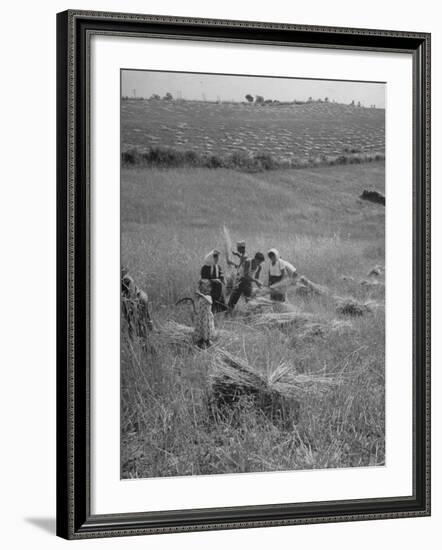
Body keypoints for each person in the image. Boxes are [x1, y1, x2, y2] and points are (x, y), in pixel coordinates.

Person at [121, 267, 153, 338]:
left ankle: (144, 337)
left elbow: (131, 292)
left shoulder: (127, 279)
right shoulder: (126, 278)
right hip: (137, 298)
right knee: (142, 320)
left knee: (138, 322)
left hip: (135, 300)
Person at [193, 279, 216, 348]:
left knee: (207, 328)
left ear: (209, 289)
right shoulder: (200, 298)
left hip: (207, 317)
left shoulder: (208, 297)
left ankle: (207, 341)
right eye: (202, 289)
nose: (204, 290)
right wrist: (196, 311)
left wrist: (201, 295)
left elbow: (210, 302)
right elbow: (198, 305)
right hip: (201, 316)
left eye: (206, 288)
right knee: (201, 328)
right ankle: (201, 340)